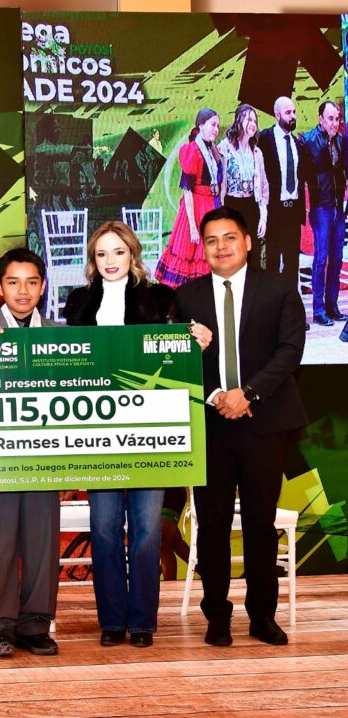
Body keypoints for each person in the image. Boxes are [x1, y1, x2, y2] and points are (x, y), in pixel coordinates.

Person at [63, 220, 208, 648]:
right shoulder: (78, 303)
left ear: (133, 254)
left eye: (118, 251)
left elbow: (178, 361)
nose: (110, 261)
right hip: (96, 433)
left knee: (146, 532)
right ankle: (111, 621)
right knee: (105, 531)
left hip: (150, 432)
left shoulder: (162, 298)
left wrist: (197, 341)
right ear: (93, 259)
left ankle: (143, 621)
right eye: (102, 253)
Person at [174, 206, 307, 647]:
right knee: (212, 525)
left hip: (266, 422)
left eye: (229, 237)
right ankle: (216, 615)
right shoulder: (187, 297)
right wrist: (217, 395)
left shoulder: (279, 287)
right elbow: (178, 358)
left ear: (248, 241)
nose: (221, 247)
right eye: (211, 240)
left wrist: (247, 393)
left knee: (259, 523)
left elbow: (290, 350)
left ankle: (262, 616)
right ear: (203, 248)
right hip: (211, 425)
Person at [0, 247, 61, 659]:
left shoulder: (61, 335)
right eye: (13, 282)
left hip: (45, 456)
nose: (23, 291)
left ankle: (36, 625)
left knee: (42, 543)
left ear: (42, 287)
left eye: (31, 282)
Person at [156, 109, 222, 288]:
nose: (216, 129)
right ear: (201, 125)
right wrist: (193, 225)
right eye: (212, 124)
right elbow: (187, 190)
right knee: (192, 252)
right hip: (196, 207)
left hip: (211, 204)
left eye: (217, 125)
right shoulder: (192, 150)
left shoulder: (210, 149)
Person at [302, 100, 347, 327]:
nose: (334, 123)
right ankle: (318, 310)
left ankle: (332, 305)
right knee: (321, 258)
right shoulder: (310, 141)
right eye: (330, 118)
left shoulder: (341, 140)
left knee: (337, 257)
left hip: (338, 207)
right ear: (320, 119)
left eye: (337, 119)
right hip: (321, 206)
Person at [258, 96, 307, 280]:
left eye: (293, 112)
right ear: (277, 115)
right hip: (274, 211)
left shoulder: (297, 143)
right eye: (288, 113)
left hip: (293, 211)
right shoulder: (265, 139)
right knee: (272, 260)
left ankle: (290, 298)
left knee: (292, 262)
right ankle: (272, 298)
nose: (293, 116)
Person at [218, 103, 269, 269]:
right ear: (239, 120)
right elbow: (217, 181)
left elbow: (264, 188)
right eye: (249, 119)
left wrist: (263, 216)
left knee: (251, 254)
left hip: (251, 205)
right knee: (231, 254)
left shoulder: (257, 153)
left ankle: (251, 285)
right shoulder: (224, 148)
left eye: (255, 120)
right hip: (231, 205)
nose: (253, 124)